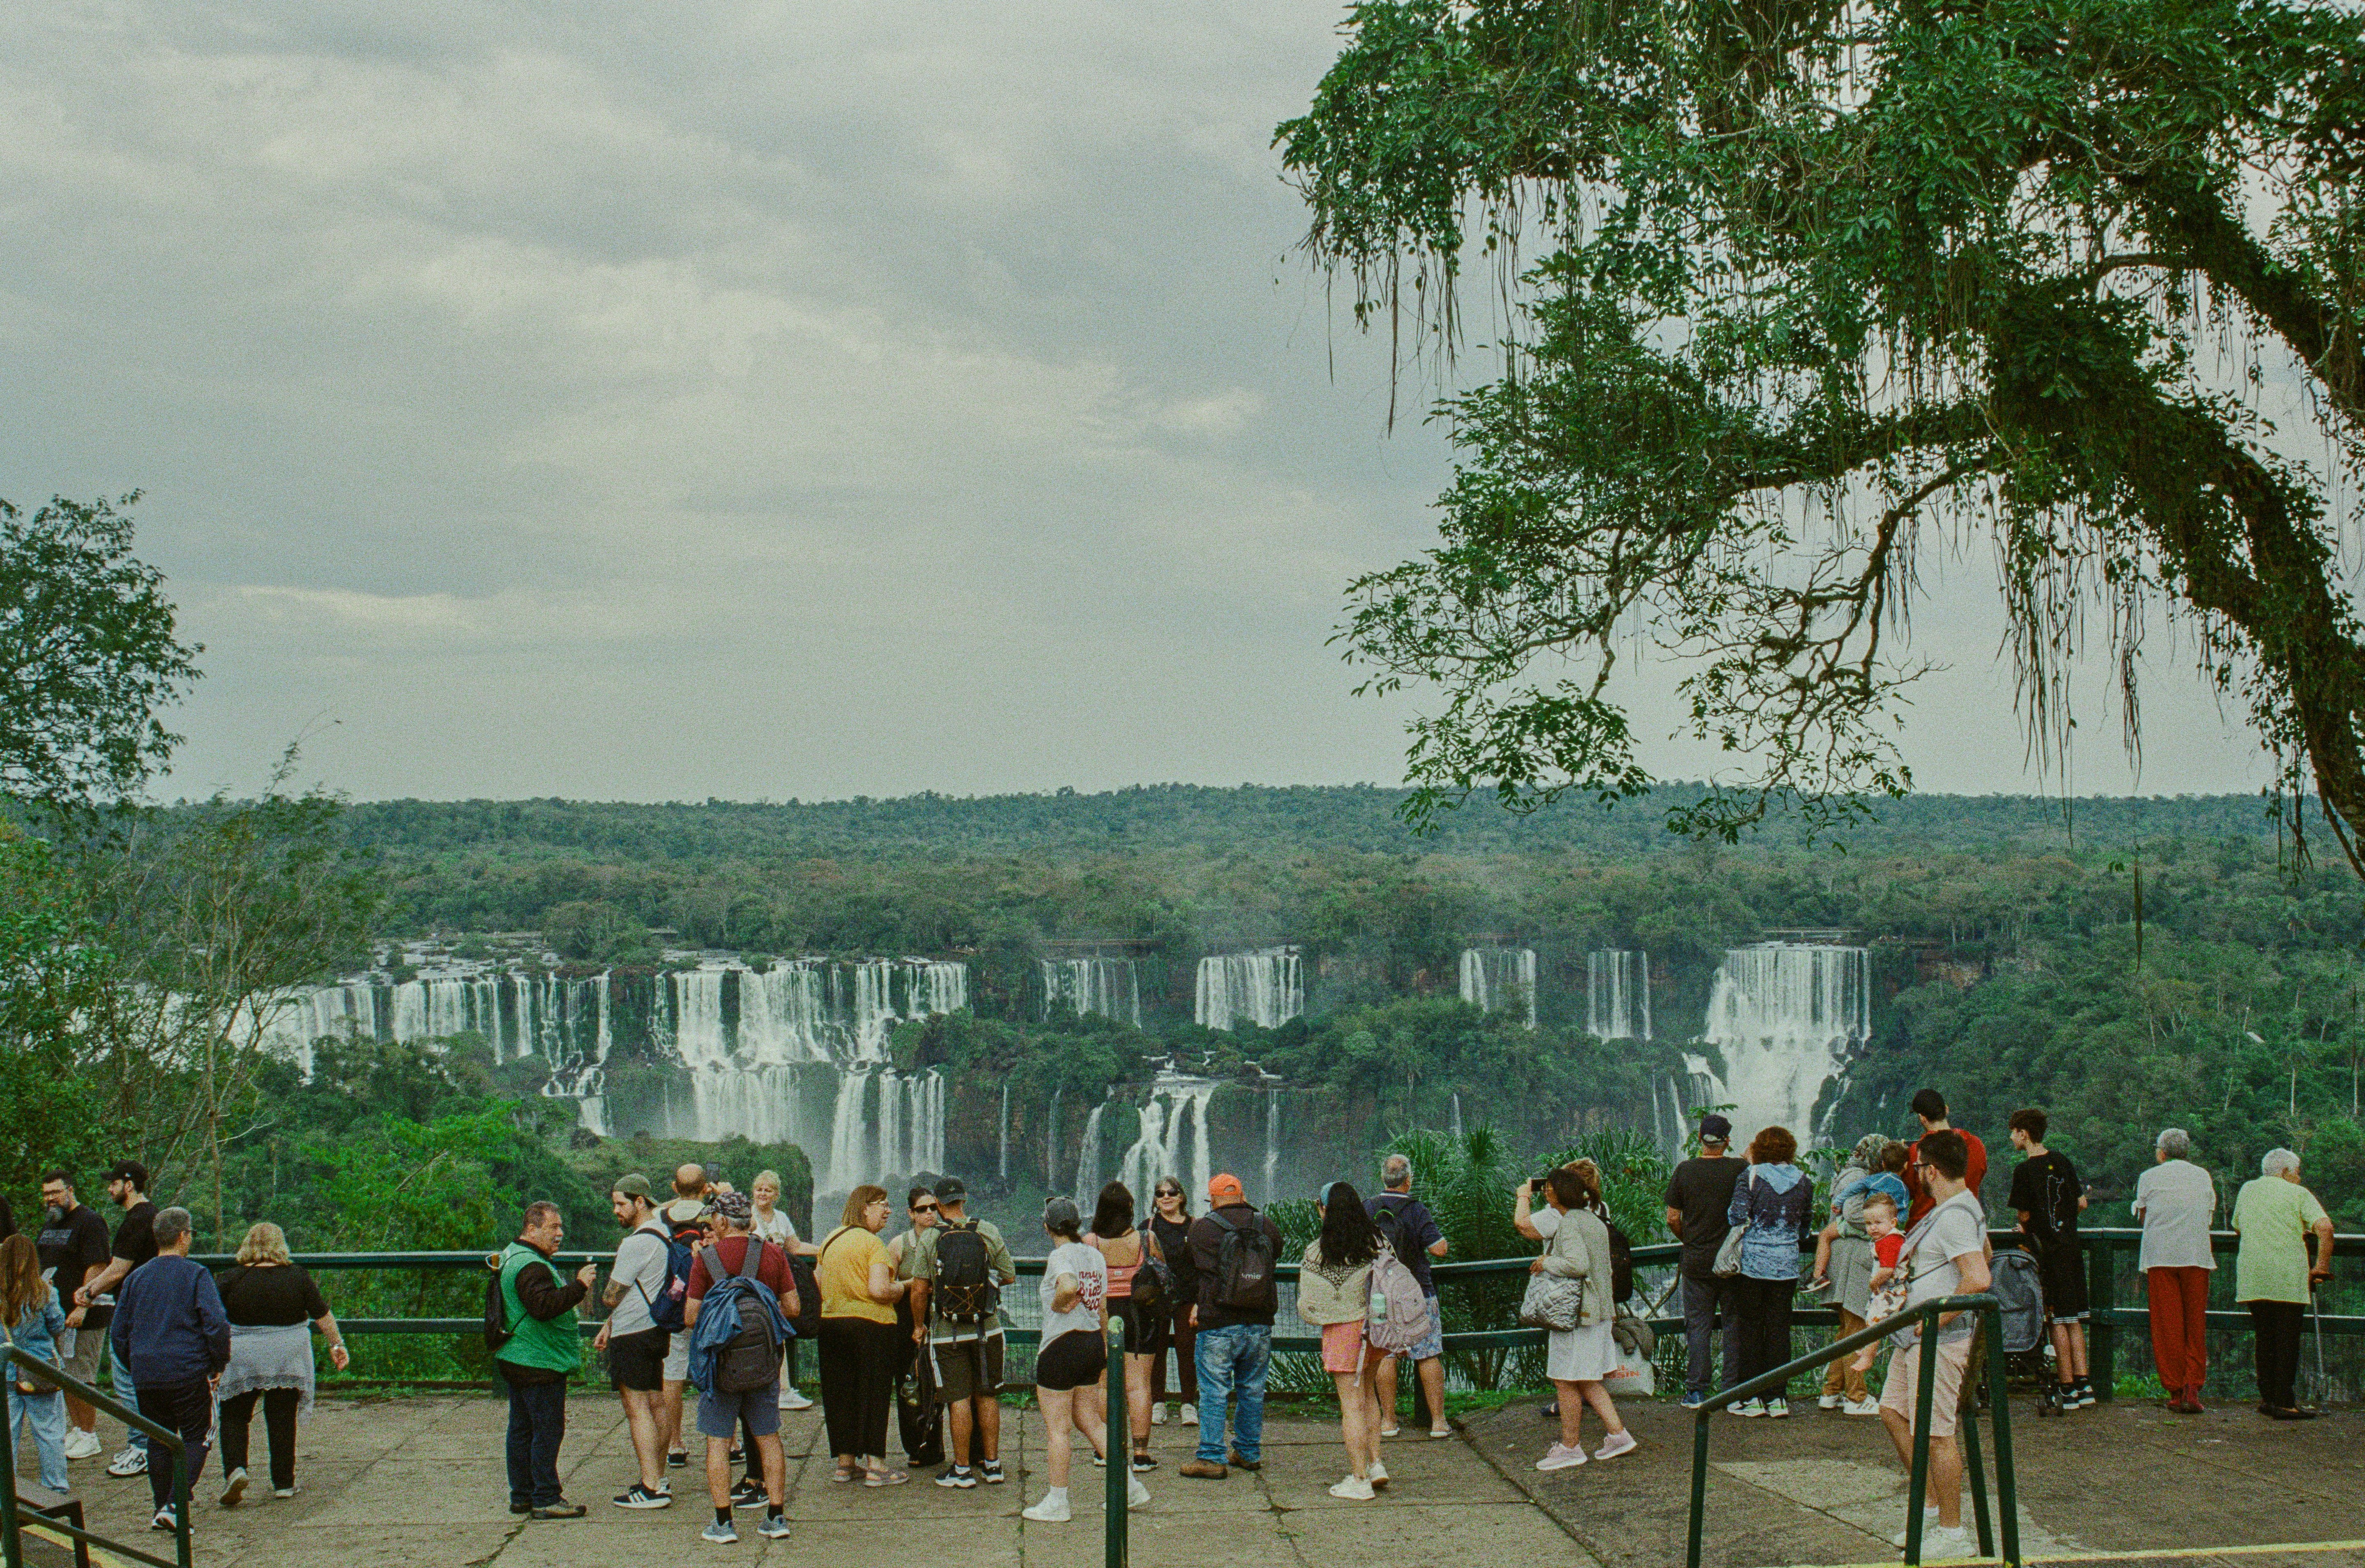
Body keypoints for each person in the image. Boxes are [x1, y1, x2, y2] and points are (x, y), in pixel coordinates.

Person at [1878, 1130, 1992, 1563]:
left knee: (1938, 1432)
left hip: (1939, 1338)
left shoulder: (1956, 1214)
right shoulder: (1955, 1209)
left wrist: (1935, 1318)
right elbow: (1986, 1250)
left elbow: (1979, 1276)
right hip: (1915, 1335)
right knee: (1893, 1410)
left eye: (1919, 1167)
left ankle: (1952, 1528)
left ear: (1934, 1169)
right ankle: (1927, 1504)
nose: (1915, 1175)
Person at [1022, 1196, 1151, 1523]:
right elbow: (1104, 1307)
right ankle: (1131, 1486)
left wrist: (1059, 1303)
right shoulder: (1094, 1255)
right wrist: (1107, 1347)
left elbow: (1067, 1285)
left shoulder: (1059, 1255)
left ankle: (1058, 1501)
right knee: (1090, 1420)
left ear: (1046, 1226)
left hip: (1061, 1346)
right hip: (1092, 1342)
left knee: (1058, 1429)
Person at [108, 1207, 229, 1535]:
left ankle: (161, 1507)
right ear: (182, 1236)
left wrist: (135, 1364)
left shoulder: (136, 1278)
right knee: (198, 1434)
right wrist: (217, 1362)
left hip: (147, 1373)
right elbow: (216, 1323)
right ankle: (176, 1504)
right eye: (190, 1233)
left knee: (158, 1438)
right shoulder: (196, 1275)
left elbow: (118, 1332)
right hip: (187, 1370)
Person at [684, 1191, 795, 1545]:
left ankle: (723, 1524)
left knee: (718, 1443)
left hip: (721, 1367)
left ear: (720, 1221)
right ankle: (776, 1518)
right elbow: (792, 1308)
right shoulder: (773, 1253)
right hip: (763, 1364)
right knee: (768, 1437)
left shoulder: (707, 1258)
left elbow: (690, 1317)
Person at [212, 1222, 349, 1504]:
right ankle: (284, 1483)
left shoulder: (231, 1278)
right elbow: (323, 1315)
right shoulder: (297, 1276)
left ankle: (236, 1470)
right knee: (281, 1416)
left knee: (235, 1415)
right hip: (287, 1354)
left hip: (243, 1354)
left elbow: (210, 1317)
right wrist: (337, 1345)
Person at [1515, 1165, 1634, 1469]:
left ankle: (1570, 1447)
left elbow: (1577, 1265)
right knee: (1588, 1381)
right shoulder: (1593, 1220)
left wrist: (1546, 1262)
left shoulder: (1568, 1224)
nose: (1546, 1192)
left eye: (1549, 1189)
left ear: (1559, 1193)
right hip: (1598, 1313)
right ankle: (1618, 1435)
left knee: (1565, 1380)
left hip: (1577, 1315)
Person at [906, 1176, 1017, 1489]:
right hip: (988, 1329)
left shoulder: (930, 1237)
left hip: (947, 1332)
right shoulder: (987, 1230)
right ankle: (993, 1466)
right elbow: (1008, 1275)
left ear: (939, 1205)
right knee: (987, 1395)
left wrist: (918, 1325)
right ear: (964, 1201)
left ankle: (963, 1469)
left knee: (959, 1399)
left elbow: (919, 1289)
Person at [493, 1200, 598, 1519]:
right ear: (531, 1228)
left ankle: (521, 1495)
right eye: (553, 1227)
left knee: (522, 1428)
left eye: (560, 1227)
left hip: (516, 1355)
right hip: (540, 1360)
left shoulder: (512, 1255)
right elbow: (543, 1306)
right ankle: (546, 1497)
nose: (560, 1234)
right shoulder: (532, 1266)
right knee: (547, 1430)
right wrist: (580, 1286)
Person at [1179, 1173, 1284, 1481]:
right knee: (1252, 1389)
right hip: (1260, 1320)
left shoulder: (1201, 1228)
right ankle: (1248, 1452)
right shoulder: (1265, 1224)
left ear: (1212, 1199)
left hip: (1218, 1321)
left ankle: (1211, 1456)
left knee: (1214, 1390)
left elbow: (1191, 1264)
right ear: (1243, 1195)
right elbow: (1275, 1252)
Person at [68, 1161, 160, 1478]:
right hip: (151, 1307)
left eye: (113, 1184)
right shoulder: (154, 1216)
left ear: (129, 1184)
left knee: (125, 1378)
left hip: (135, 1309)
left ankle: (142, 1447)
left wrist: (88, 1292)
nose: (109, 1189)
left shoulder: (137, 1219)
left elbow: (119, 1269)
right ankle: (148, 1443)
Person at [1297, 1181, 1386, 1499]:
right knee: (1369, 1397)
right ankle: (1376, 1464)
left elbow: (1307, 1305)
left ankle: (1359, 1479)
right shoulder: (1378, 1242)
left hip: (1341, 1332)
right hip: (1376, 1330)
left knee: (1350, 1405)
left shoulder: (1317, 1251)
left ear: (1325, 1210)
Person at [816, 1184, 911, 1484]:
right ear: (864, 1208)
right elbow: (880, 1290)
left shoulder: (831, 1238)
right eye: (882, 1204)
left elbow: (817, 1278)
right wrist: (905, 1287)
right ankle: (876, 1465)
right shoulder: (874, 1245)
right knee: (874, 1393)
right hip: (872, 1327)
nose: (888, 1210)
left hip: (832, 1324)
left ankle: (845, 1464)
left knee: (840, 1393)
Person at [2231, 1148, 2333, 1420]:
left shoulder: (2247, 1190)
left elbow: (2238, 1226)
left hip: (2253, 1274)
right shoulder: (2298, 1194)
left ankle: (2268, 1399)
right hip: (2286, 1276)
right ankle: (2284, 1401)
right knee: (2286, 1340)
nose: (2299, 1178)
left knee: (2264, 1337)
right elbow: (2324, 1228)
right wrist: (2321, 1266)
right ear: (2286, 1172)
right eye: (2297, 1172)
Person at [592, 1174, 674, 1509]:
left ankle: (651, 1486)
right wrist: (609, 1325)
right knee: (657, 1405)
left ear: (639, 1202)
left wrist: (603, 1300)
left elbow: (612, 1296)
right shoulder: (665, 1233)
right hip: (655, 1329)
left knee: (636, 1409)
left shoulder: (635, 1243)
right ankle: (659, 1474)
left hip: (633, 1336)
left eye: (620, 1203)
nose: (616, 1211)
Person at [1811, 1135, 1907, 1414]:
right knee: (1857, 1329)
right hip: (1856, 1261)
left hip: (1846, 1258)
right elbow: (1854, 1214)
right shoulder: (1864, 1178)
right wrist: (1881, 1227)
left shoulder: (1855, 1175)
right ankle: (1856, 1397)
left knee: (1846, 1330)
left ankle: (1831, 1391)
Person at [2007, 1108, 2092, 1411]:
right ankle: (2084, 1384)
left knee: (2056, 1319)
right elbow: (2080, 1202)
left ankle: (2067, 1387)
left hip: (2047, 1252)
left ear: (2023, 1134)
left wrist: (2026, 1228)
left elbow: (2024, 1214)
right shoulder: (2062, 1160)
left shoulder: (2024, 1172)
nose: (2011, 1137)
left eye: (2013, 1131)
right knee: (2074, 1318)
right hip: (2070, 1246)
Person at [1724, 1126, 1812, 1419]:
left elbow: (1736, 1217)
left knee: (1749, 1330)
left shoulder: (1749, 1176)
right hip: (1786, 1266)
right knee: (1778, 1332)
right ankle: (1777, 1399)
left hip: (1753, 1265)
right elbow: (1805, 1227)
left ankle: (1750, 1398)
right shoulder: (1803, 1180)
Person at [1663, 1114, 1745, 1408]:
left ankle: (1696, 1391)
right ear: (1727, 1141)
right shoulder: (1740, 1169)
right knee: (1734, 1324)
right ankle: (1732, 1392)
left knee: (1698, 1326)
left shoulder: (1685, 1170)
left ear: (1699, 1139)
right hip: (1733, 1262)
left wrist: (1689, 1239)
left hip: (1697, 1260)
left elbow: (1673, 1217)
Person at [2132, 1127, 2216, 1414]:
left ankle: (2174, 1389)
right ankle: (2193, 1385)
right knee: (2195, 1324)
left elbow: (2142, 1214)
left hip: (2161, 1256)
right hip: (2195, 1255)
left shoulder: (2149, 1177)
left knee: (2167, 1325)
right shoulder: (2202, 1175)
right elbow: (2207, 1213)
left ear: (2161, 1152)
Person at [1366, 1154, 1451, 1439]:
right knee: (1427, 1354)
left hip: (1380, 1294)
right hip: (1418, 1292)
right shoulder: (1417, 1210)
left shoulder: (1368, 1208)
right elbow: (1439, 1250)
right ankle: (1438, 1422)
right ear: (1408, 1180)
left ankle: (1388, 1421)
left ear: (1383, 1178)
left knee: (1386, 1355)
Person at [1085, 1181, 1165, 1473]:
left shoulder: (1090, 1242)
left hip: (1103, 1316)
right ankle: (1141, 1454)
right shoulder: (1146, 1239)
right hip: (1140, 1315)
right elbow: (1162, 1271)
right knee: (1139, 1385)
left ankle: (1107, 1450)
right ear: (1130, 1209)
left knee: (1105, 1386)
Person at [34, 1170, 113, 1461]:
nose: (50, 1199)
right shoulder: (51, 1224)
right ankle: (79, 1429)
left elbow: (98, 1266)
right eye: (45, 1194)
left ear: (70, 1190)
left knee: (82, 1375)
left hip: (86, 1314)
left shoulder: (90, 1221)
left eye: (55, 1193)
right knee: (66, 1373)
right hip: (58, 1314)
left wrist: (84, 1305)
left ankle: (90, 1434)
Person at [2, 1233, 71, 1496]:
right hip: (39, 1369)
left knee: (7, 1435)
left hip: (5, 1370)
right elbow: (57, 1325)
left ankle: (5, 1492)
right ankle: (55, 1488)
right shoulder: (45, 1293)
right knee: (49, 1431)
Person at [884, 1186, 945, 1469]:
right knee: (909, 1386)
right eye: (922, 1209)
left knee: (939, 1385)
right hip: (906, 1321)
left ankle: (936, 1447)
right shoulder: (898, 1245)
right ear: (911, 1214)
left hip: (940, 1319)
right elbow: (888, 1287)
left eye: (933, 1207)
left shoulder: (946, 1238)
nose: (929, 1213)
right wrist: (917, 1285)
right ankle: (915, 1447)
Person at [655, 1164, 712, 1469]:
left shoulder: (661, 1218)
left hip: (676, 1301)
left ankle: (675, 1443)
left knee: (673, 1373)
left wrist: (670, 1201)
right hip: (710, 1301)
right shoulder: (714, 1215)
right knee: (716, 1366)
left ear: (674, 1188)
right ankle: (727, 1443)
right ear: (706, 1188)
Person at [750, 1168, 816, 1412]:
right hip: (758, 1281)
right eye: (759, 1189)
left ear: (776, 1194)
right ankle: (780, 1389)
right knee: (768, 1332)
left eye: (768, 1190)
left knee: (780, 1330)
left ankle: (781, 1388)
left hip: (778, 1281)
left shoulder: (781, 1218)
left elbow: (795, 1247)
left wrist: (826, 1249)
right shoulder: (749, 1216)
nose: (763, 1194)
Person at [1146, 1177, 1198, 1427]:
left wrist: (1200, 1301)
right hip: (1156, 1299)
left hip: (1188, 1297)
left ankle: (1189, 1403)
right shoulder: (1148, 1227)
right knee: (1156, 1351)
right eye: (1160, 1193)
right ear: (1156, 1199)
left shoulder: (1196, 1227)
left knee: (1188, 1349)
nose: (1166, 1197)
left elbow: (1204, 1266)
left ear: (1181, 1197)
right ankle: (1158, 1402)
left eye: (1172, 1192)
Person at [1904, 1091, 1987, 1227]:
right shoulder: (1976, 1144)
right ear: (1946, 1109)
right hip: (1967, 1223)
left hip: (1926, 1227)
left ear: (1922, 1118)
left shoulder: (1918, 1151)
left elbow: (1909, 1191)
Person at [1847, 1194, 1907, 1376]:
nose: (1873, 1228)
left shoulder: (1890, 1241)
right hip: (1886, 1288)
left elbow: (1888, 1270)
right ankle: (1867, 1348)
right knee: (1871, 1314)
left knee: (1876, 1319)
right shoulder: (1884, 1239)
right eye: (1869, 1223)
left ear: (1893, 1222)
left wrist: (1874, 1282)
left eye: (1878, 1223)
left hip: (1893, 1290)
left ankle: (1869, 1356)